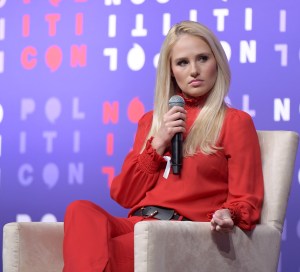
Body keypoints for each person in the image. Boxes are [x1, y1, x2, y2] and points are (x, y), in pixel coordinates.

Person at [62, 20, 264, 272]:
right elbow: (124, 196)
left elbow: (246, 199)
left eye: (202, 58)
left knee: (98, 255)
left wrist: (228, 215)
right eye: (182, 62)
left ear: (218, 63)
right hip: (139, 223)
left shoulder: (235, 122)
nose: (194, 70)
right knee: (79, 210)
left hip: (181, 232)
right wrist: (158, 142)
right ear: (170, 71)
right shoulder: (152, 121)